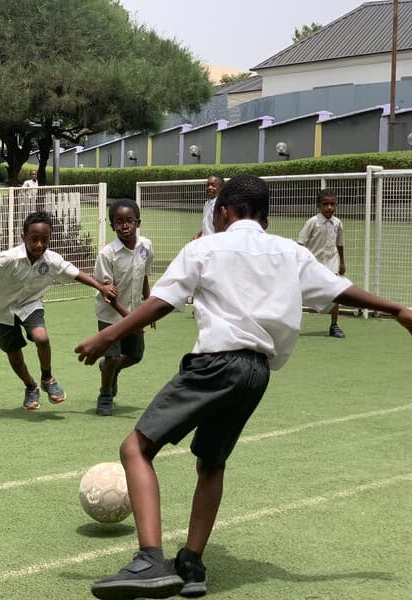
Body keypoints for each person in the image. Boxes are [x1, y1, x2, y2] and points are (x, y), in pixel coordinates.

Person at [75, 175, 412, 600]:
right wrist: (398, 308)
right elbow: (340, 290)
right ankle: (191, 564)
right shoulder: (290, 251)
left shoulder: (205, 246)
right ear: (266, 219)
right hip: (256, 373)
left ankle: (149, 560)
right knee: (211, 463)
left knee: (135, 449)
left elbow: (162, 301)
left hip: (216, 363)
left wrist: (107, 337)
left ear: (222, 212)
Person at [0, 211, 116, 410]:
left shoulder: (52, 260)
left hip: (31, 305)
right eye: (34, 239)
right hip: (4, 311)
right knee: (15, 358)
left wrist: (101, 287)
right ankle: (31, 387)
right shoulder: (9, 258)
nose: (39, 245)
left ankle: (48, 378)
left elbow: (76, 273)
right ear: (23, 237)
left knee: (42, 338)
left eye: (44, 240)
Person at [93, 199, 155, 416]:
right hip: (110, 314)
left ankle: (109, 370)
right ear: (112, 226)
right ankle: (105, 394)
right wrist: (130, 319)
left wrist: (149, 305)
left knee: (135, 355)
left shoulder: (145, 246)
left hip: (135, 311)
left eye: (129, 220)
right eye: (119, 222)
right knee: (111, 356)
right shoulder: (107, 254)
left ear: (138, 222)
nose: (125, 226)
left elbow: (144, 274)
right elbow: (108, 294)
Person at [298, 189, 347, 338]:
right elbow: (301, 243)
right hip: (313, 265)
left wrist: (342, 262)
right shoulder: (312, 222)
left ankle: (334, 325)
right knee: (298, 294)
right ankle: (290, 324)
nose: (329, 207)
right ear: (318, 205)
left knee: (336, 293)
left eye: (333, 204)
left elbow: (340, 243)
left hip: (331, 264)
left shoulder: (338, 223)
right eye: (326, 204)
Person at [192, 175, 224, 240]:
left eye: (213, 185)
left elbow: (222, 229)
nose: (210, 187)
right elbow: (209, 225)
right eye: (208, 185)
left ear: (221, 188)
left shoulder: (220, 205)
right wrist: (200, 234)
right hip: (206, 243)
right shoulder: (207, 203)